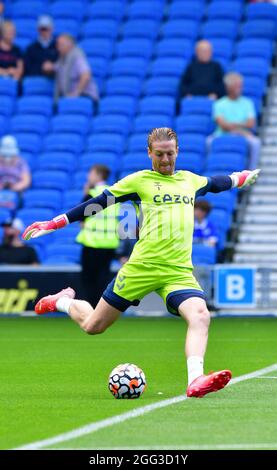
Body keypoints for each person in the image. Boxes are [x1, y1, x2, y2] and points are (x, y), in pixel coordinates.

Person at [22, 128, 260, 398]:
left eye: (170, 153)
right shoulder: (139, 181)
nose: (165, 160)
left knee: (201, 315)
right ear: (149, 153)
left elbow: (216, 182)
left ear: (177, 151)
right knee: (93, 326)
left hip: (177, 271)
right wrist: (54, 223)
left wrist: (241, 177)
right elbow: (98, 204)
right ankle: (62, 301)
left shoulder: (189, 180)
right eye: (159, 154)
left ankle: (196, 379)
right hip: (141, 269)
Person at [77, 164, 120, 308]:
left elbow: (81, 219)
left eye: (91, 173)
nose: (89, 176)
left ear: (98, 175)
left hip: (92, 243)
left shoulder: (92, 193)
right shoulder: (114, 194)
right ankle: (103, 309)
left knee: (89, 279)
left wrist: (86, 193)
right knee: (104, 279)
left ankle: (89, 309)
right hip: (110, 244)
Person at [213, 72, 261, 170]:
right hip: (222, 134)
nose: (239, 89)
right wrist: (240, 127)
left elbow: (251, 123)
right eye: (236, 86)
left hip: (244, 134)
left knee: (256, 143)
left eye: (240, 86)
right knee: (208, 143)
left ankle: (251, 171)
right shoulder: (219, 103)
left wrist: (234, 126)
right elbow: (222, 125)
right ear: (228, 87)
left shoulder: (247, 103)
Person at [42, 33, 99, 104]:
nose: (57, 47)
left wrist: (76, 93)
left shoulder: (77, 56)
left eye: (60, 44)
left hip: (84, 96)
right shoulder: (62, 59)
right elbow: (57, 67)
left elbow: (86, 75)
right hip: (71, 98)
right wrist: (51, 67)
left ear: (69, 45)